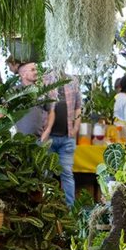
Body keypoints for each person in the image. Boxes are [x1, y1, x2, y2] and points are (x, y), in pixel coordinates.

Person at [44, 71, 82, 207]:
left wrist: (76, 126)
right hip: (48, 137)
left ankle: (69, 210)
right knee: (45, 174)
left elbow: (78, 107)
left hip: (67, 137)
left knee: (66, 173)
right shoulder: (44, 79)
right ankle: (45, 207)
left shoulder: (73, 80)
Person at [14, 62, 55, 142]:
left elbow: (51, 112)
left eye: (36, 69)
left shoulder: (42, 91)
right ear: (23, 74)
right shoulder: (14, 92)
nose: (36, 72)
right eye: (32, 70)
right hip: (17, 142)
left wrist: (48, 130)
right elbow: (2, 113)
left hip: (38, 141)